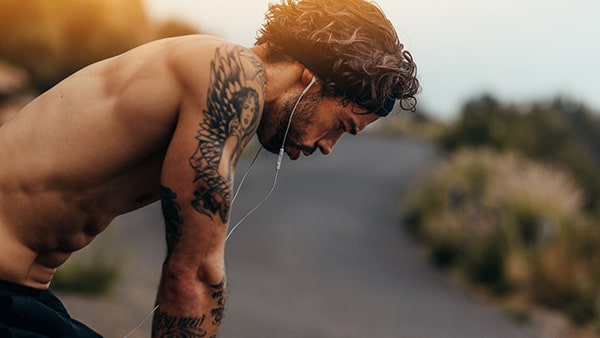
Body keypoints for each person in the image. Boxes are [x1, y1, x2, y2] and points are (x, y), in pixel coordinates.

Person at [0, 0, 419, 336]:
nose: (328, 146)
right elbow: (194, 274)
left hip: (23, 297)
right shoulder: (233, 76)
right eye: (340, 126)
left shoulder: (214, 71)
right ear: (311, 78)